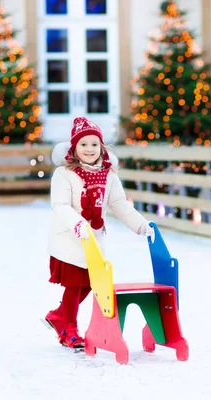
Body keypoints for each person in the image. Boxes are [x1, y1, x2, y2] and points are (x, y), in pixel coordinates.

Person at [44, 116, 155, 349]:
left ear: (101, 148)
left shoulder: (109, 175)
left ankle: (58, 316)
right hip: (69, 238)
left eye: (94, 144)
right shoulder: (64, 174)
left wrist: (141, 225)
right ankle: (69, 329)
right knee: (75, 284)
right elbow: (61, 205)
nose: (89, 149)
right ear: (74, 148)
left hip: (94, 239)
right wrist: (77, 224)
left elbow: (119, 203)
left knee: (88, 284)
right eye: (83, 144)